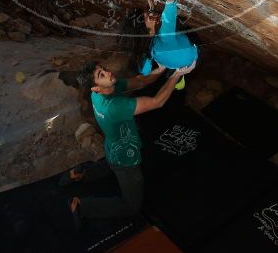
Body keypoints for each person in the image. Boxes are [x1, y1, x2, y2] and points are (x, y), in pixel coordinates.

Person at [69, 59, 196, 225]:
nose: (108, 72)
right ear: (96, 87)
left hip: (112, 147)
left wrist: (162, 68)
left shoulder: (101, 92)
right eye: (101, 74)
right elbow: (157, 102)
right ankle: (83, 206)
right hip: (125, 159)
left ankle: (81, 174)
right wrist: (177, 74)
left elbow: (141, 81)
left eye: (104, 69)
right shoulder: (114, 106)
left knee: (110, 162)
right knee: (130, 206)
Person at [119, 0, 198, 90]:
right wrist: (170, 0)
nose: (152, 15)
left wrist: (151, 8)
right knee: (187, 30)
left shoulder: (145, 47)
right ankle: (177, 75)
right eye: (148, 16)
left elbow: (145, 71)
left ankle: (177, 79)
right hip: (193, 55)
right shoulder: (164, 36)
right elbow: (168, 20)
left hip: (175, 63)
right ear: (144, 30)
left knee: (170, 65)